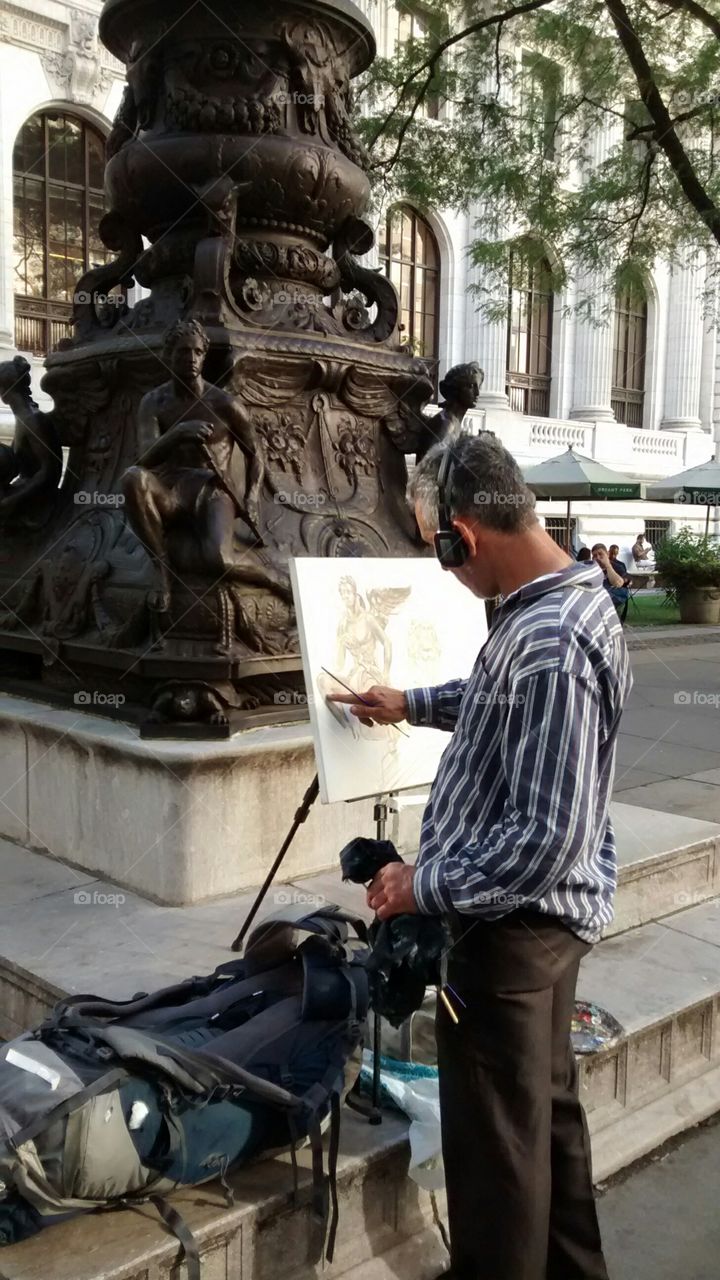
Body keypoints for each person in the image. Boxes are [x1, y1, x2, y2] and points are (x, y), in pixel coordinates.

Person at [330, 434, 631, 1280]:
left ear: (463, 531)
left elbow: (544, 836)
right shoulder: (564, 603)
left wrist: (420, 884)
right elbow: (503, 705)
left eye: (438, 548)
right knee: (547, 1121)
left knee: (496, 1153)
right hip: (547, 930)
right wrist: (412, 701)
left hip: (509, 935)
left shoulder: (550, 645)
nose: (444, 569)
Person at [592, 543, 630, 616]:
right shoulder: (592, 569)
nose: (598, 557)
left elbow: (617, 583)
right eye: (594, 556)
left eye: (600, 554)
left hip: (613, 604)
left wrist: (608, 566)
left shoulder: (618, 567)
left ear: (607, 554)